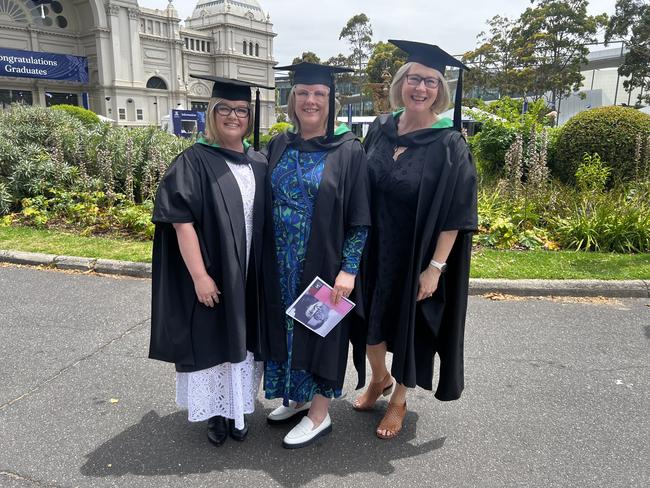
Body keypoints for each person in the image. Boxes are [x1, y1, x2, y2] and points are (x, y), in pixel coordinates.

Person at [353, 40, 478, 439]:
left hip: (416, 254)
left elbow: (457, 212)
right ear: (400, 83)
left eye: (429, 81)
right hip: (373, 249)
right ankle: (379, 377)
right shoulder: (380, 128)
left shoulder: (449, 143)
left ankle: (399, 399)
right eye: (413, 79)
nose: (420, 88)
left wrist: (436, 268)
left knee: (408, 328)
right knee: (367, 321)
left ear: (440, 89)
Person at [149, 75, 270, 447]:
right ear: (211, 113)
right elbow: (181, 224)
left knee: (244, 340)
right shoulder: (193, 161)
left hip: (249, 271)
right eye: (225, 110)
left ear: (250, 116)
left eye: (241, 111)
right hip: (215, 271)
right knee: (215, 340)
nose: (234, 116)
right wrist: (200, 276)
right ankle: (217, 413)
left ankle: (238, 408)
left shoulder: (258, 161)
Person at [261, 62, 371, 449]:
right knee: (289, 334)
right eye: (303, 93)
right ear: (292, 100)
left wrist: (349, 270)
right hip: (279, 264)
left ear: (330, 100)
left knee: (322, 334)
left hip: (323, 266)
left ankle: (319, 414)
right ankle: (297, 398)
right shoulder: (279, 144)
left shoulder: (348, 151)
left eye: (319, 94)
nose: (311, 100)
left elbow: (360, 218)